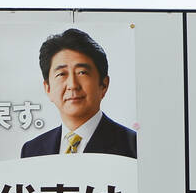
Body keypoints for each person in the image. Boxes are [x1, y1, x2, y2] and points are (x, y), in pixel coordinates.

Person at [20, 28, 136, 159]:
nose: (73, 85)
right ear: (48, 88)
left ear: (103, 84)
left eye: (82, 72)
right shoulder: (32, 150)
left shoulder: (134, 146)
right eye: (61, 74)